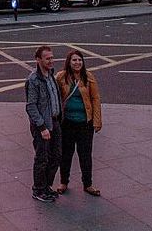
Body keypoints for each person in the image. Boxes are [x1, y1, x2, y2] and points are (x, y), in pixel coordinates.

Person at [55, 50, 102, 196]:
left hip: (85, 123)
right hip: (67, 123)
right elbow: (56, 97)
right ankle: (64, 182)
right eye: (74, 60)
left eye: (80, 60)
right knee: (66, 154)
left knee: (85, 155)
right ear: (69, 62)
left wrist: (97, 120)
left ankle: (88, 184)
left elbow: (95, 99)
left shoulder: (88, 77)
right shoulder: (61, 77)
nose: (77, 63)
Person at [25, 44, 62, 203]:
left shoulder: (51, 75)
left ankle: (47, 186)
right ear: (38, 60)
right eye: (47, 58)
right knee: (42, 158)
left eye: (52, 58)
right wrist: (42, 127)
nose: (51, 61)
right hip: (43, 126)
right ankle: (38, 189)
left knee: (56, 156)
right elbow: (31, 106)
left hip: (55, 122)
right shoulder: (34, 79)